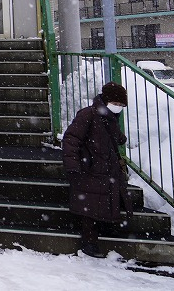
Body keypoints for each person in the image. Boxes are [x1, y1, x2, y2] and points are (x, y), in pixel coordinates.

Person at [61, 81, 130, 258]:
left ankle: (100, 234)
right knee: (90, 209)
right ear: (107, 101)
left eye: (121, 106)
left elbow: (113, 138)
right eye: (116, 104)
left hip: (104, 168)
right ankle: (89, 243)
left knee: (100, 203)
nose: (118, 108)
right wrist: (73, 165)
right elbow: (71, 139)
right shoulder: (88, 115)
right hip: (90, 169)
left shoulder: (109, 117)